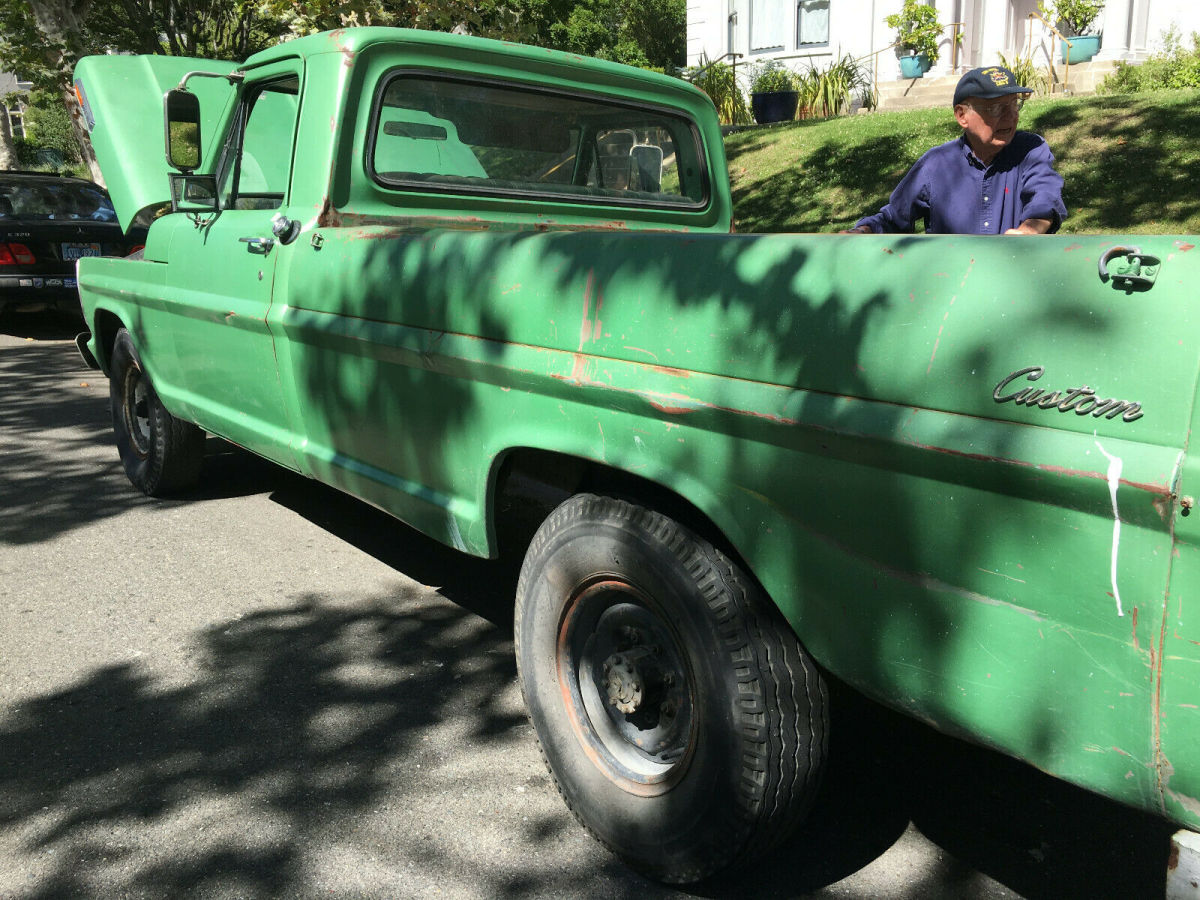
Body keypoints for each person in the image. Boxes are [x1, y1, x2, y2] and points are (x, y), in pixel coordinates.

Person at [844, 65, 1067, 236]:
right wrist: (863, 232)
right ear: (962, 116)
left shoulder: (1030, 150)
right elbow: (894, 217)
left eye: (1014, 104)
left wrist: (1029, 230)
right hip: (951, 286)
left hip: (1012, 283)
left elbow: (1045, 197)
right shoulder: (936, 164)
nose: (1011, 116)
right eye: (996, 108)